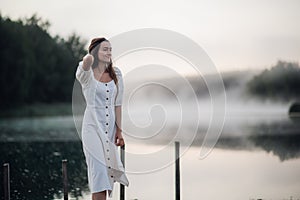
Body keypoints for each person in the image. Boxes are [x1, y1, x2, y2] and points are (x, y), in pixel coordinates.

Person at [75, 37, 129, 200]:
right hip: (92, 128)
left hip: (110, 129)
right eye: (104, 49)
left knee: (107, 174)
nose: (109, 52)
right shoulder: (87, 74)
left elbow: (118, 104)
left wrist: (119, 131)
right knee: (98, 173)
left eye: (110, 49)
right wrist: (90, 56)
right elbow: (85, 63)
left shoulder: (116, 73)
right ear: (95, 52)